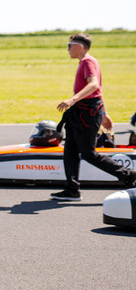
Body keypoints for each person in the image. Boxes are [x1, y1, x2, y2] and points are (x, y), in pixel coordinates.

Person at [51, 33, 136, 201]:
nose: (68, 49)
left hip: (86, 112)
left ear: (80, 46)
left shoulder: (88, 61)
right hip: (83, 111)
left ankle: (129, 176)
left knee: (88, 153)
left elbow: (94, 85)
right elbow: (99, 91)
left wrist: (73, 99)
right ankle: (72, 189)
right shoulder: (86, 62)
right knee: (70, 151)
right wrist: (104, 113)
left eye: (70, 45)